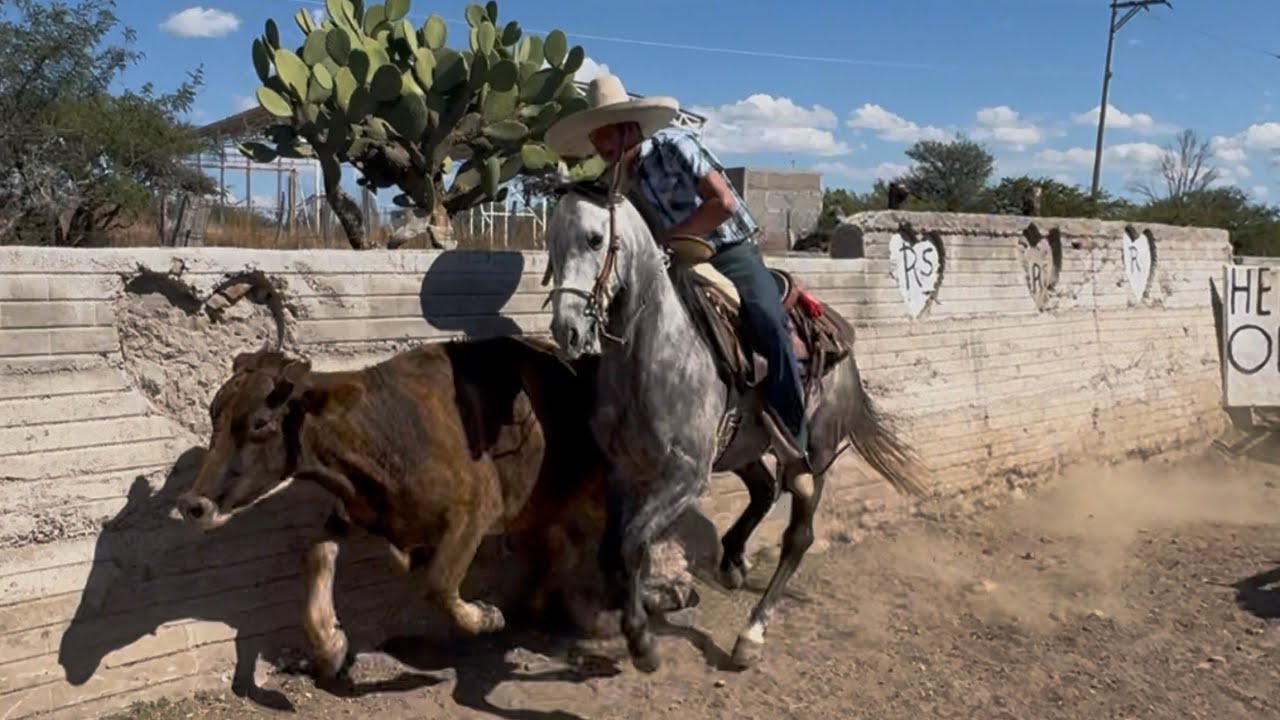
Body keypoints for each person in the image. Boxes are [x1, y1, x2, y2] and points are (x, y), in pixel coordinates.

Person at [545, 74, 811, 465]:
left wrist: (668, 237)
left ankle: (794, 436)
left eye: (600, 133)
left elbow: (722, 203)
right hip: (673, 260)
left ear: (625, 129)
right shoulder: (615, 179)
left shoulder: (675, 145)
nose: (595, 145)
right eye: (593, 137)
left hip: (728, 250)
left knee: (767, 320)